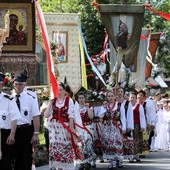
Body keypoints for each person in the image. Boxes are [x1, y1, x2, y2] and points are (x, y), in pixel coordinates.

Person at [44, 82, 83, 170]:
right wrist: (50, 102)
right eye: (57, 90)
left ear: (64, 91)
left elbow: (71, 116)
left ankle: (66, 167)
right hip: (54, 129)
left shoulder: (68, 100)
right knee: (55, 148)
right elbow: (46, 115)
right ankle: (58, 167)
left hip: (65, 128)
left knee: (66, 148)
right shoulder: (53, 101)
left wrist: (71, 130)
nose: (59, 92)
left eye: (61, 90)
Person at [12, 70, 40, 170]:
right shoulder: (9, 98)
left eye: (21, 84)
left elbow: (36, 116)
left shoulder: (30, 98)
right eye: (16, 84)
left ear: (25, 85)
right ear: (13, 83)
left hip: (25, 130)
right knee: (11, 158)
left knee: (25, 158)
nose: (18, 87)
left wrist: (36, 133)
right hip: (12, 130)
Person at [98, 90, 126, 169]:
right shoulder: (105, 106)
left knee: (117, 143)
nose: (110, 98)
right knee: (109, 144)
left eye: (112, 96)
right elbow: (100, 116)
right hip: (108, 127)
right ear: (107, 97)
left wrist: (124, 127)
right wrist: (103, 107)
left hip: (117, 127)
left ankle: (119, 160)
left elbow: (123, 117)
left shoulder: (120, 105)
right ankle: (111, 161)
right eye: (109, 96)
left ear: (115, 97)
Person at [0, 72, 20, 170]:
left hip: (5, 134)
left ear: (2, 85)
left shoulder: (8, 99)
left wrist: (12, 135)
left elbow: (14, 118)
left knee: (5, 161)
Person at [75, 91, 95, 170]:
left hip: (87, 128)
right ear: (77, 99)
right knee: (80, 146)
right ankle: (82, 162)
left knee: (87, 145)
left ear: (85, 99)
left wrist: (87, 108)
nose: (81, 99)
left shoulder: (88, 107)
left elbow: (91, 117)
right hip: (79, 129)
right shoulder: (75, 108)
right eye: (80, 98)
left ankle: (87, 162)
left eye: (83, 98)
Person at [117, 87, 134, 165]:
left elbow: (130, 115)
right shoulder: (114, 102)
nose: (120, 92)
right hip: (116, 125)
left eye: (121, 91)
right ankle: (117, 158)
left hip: (125, 124)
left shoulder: (127, 103)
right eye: (119, 91)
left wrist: (129, 126)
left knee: (125, 142)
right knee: (117, 142)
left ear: (123, 93)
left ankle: (126, 156)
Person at [129, 92, 146, 163]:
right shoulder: (128, 106)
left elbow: (142, 116)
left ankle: (135, 155)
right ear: (129, 98)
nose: (132, 99)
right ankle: (132, 155)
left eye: (133, 97)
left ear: (136, 99)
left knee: (136, 140)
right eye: (131, 97)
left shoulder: (139, 106)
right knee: (129, 140)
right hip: (129, 125)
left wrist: (142, 126)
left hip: (136, 125)